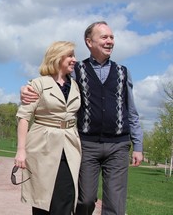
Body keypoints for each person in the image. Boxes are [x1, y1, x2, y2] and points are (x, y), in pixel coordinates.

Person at [20, 21, 144, 215]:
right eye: (104, 37)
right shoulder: (77, 70)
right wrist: (26, 88)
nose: (110, 41)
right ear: (89, 42)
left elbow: (131, 110)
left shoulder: (123, 72)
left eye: (112, 37)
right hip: (86, 143)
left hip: (118, 145)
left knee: (116, 204)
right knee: (84, 200)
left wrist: (138, 145)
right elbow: (54, 82)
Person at [14, 41, 82, 215]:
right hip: (42, 145)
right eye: (70, 55)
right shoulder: (38, 84)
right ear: (57, 57)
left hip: (69, 145)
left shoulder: (75, 85)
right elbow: (23, 117)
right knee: (43, 199)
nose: (74, 59)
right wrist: (21, 150)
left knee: (66, 196)